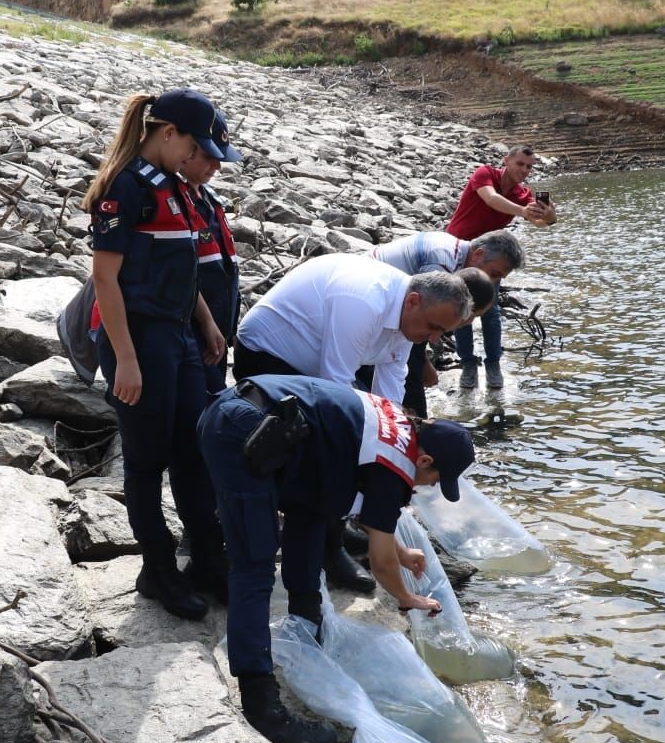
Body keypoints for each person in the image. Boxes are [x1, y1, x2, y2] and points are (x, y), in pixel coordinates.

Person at [196, 373, 475, 743]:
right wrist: (409, 598)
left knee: (312, 512)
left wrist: (402, 553)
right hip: (241, 432)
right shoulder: (396, 465)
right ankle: (261, 701)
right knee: (253, 566)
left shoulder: (400, 427)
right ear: (425, 459)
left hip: (258, 417)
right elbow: (379, 563)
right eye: (433, 479)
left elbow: (375, 523)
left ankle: (307, 623)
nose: (426, 487)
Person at [83, 89, 240, 620]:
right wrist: (125, 359)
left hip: (178, 335)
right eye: (195, 145)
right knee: (147, 460)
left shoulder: (176, 188)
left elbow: (185, 269)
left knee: (193, 450)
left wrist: (205, 321)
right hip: (137, 336)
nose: (198, 159)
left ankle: (207, 558)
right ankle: (157, 570)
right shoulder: (124, 189)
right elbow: (106, 278)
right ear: (168, 134)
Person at [233, 253, 471, 591]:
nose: (434, 339)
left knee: (366, 442)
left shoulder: (409, 317)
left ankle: (340, 525)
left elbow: (391, 383)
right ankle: (327, 549)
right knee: (336, 450)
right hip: (268, 357)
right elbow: (335, 390)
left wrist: (396, 439)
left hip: (313, 364)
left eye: (442, 332)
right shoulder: (363, 301)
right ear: (414, 301)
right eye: (434, 327)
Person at [369, 229, 526, 414]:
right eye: (494, 273)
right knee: (409, 376)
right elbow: (420, 320)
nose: (492, 281)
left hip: (392, 307)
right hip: (370, 306)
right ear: (478, 254)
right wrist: (425, 364)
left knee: (400, 374)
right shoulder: (442, 265)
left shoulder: (456, 254)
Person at [444, 146, 554, 389]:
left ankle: (493, 364)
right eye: (520, 164)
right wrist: (523, 211)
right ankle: (468, 364)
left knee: (490, 312)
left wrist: (549, 215)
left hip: (489, 259)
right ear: (507, 161)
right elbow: (491, 199)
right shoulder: (484, 173)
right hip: (458, 251)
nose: (524, 170)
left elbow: (540, 222)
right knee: (463, 308)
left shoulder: (522, 194)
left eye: (529, 167)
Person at [177, 148, 240, 393]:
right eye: (209, 158)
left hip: (218, 326)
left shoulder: (211, 200)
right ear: (187, 152)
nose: (217, 166)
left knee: (214, 391)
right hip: (194, 325)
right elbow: (183, 272)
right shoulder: (177, 199)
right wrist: (207, 322)